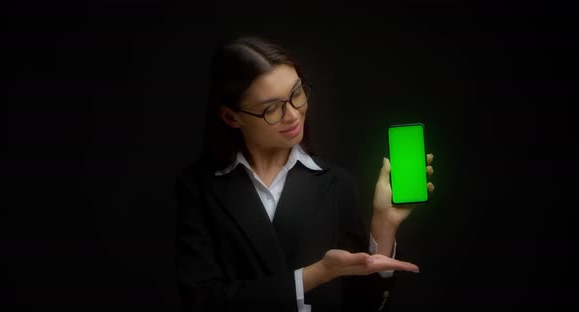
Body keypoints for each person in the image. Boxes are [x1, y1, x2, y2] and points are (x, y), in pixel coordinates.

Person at [174, 35, 435, 312]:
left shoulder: (336, 184)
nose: (293, 115)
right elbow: (202, 301)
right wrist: (316, 274)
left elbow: (364, 305)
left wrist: (384, 225)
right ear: (231, 117)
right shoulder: (199, 189)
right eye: (271, 108)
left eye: (297, 93)